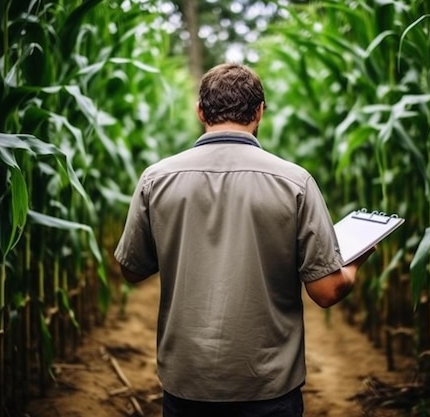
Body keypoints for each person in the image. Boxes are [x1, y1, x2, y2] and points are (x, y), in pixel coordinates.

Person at [114, 62, 373, 417]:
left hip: (188, 382)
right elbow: (326, 291)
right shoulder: (295, 183)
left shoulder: (156, 180)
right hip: (268, 385)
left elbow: (131, 270)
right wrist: (354, 262)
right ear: (260, 112)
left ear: (201, 111)